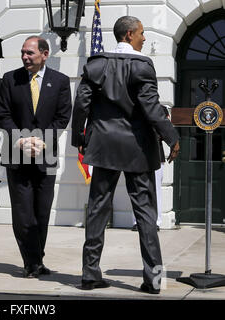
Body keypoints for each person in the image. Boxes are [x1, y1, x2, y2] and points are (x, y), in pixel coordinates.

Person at [71, 16, 180, 294]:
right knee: (145, 213)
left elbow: (81, 103)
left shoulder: (96, 65)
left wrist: (79, 138)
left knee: (97, 209)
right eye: (142, 33)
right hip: (138, 148)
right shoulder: (142, 65)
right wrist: (172, 136)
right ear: (130, 34)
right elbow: (151, 106)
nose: (144, 38)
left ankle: (89, 274)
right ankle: (154, 280)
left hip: (103, 145)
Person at [0, 36, 72, 278]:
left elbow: (62, 117)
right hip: (17, 156)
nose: (25, 57)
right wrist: (20, 140)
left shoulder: (59, 81)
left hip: (44, 156)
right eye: (23, 53)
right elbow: (2, 114)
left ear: (44, 54)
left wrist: (41, 140)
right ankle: (31, 262)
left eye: (30, 53)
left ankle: (37, 258)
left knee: (41, 211)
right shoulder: (10, 79)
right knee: (22, 213)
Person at [132, 105, 170, 232]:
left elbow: (165, 129)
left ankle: (156, 221)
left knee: (156, 190)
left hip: (156, 154)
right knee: (136, 189)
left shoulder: (162, 109)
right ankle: (136, 221)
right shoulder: (134, 106)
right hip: (137, 153)